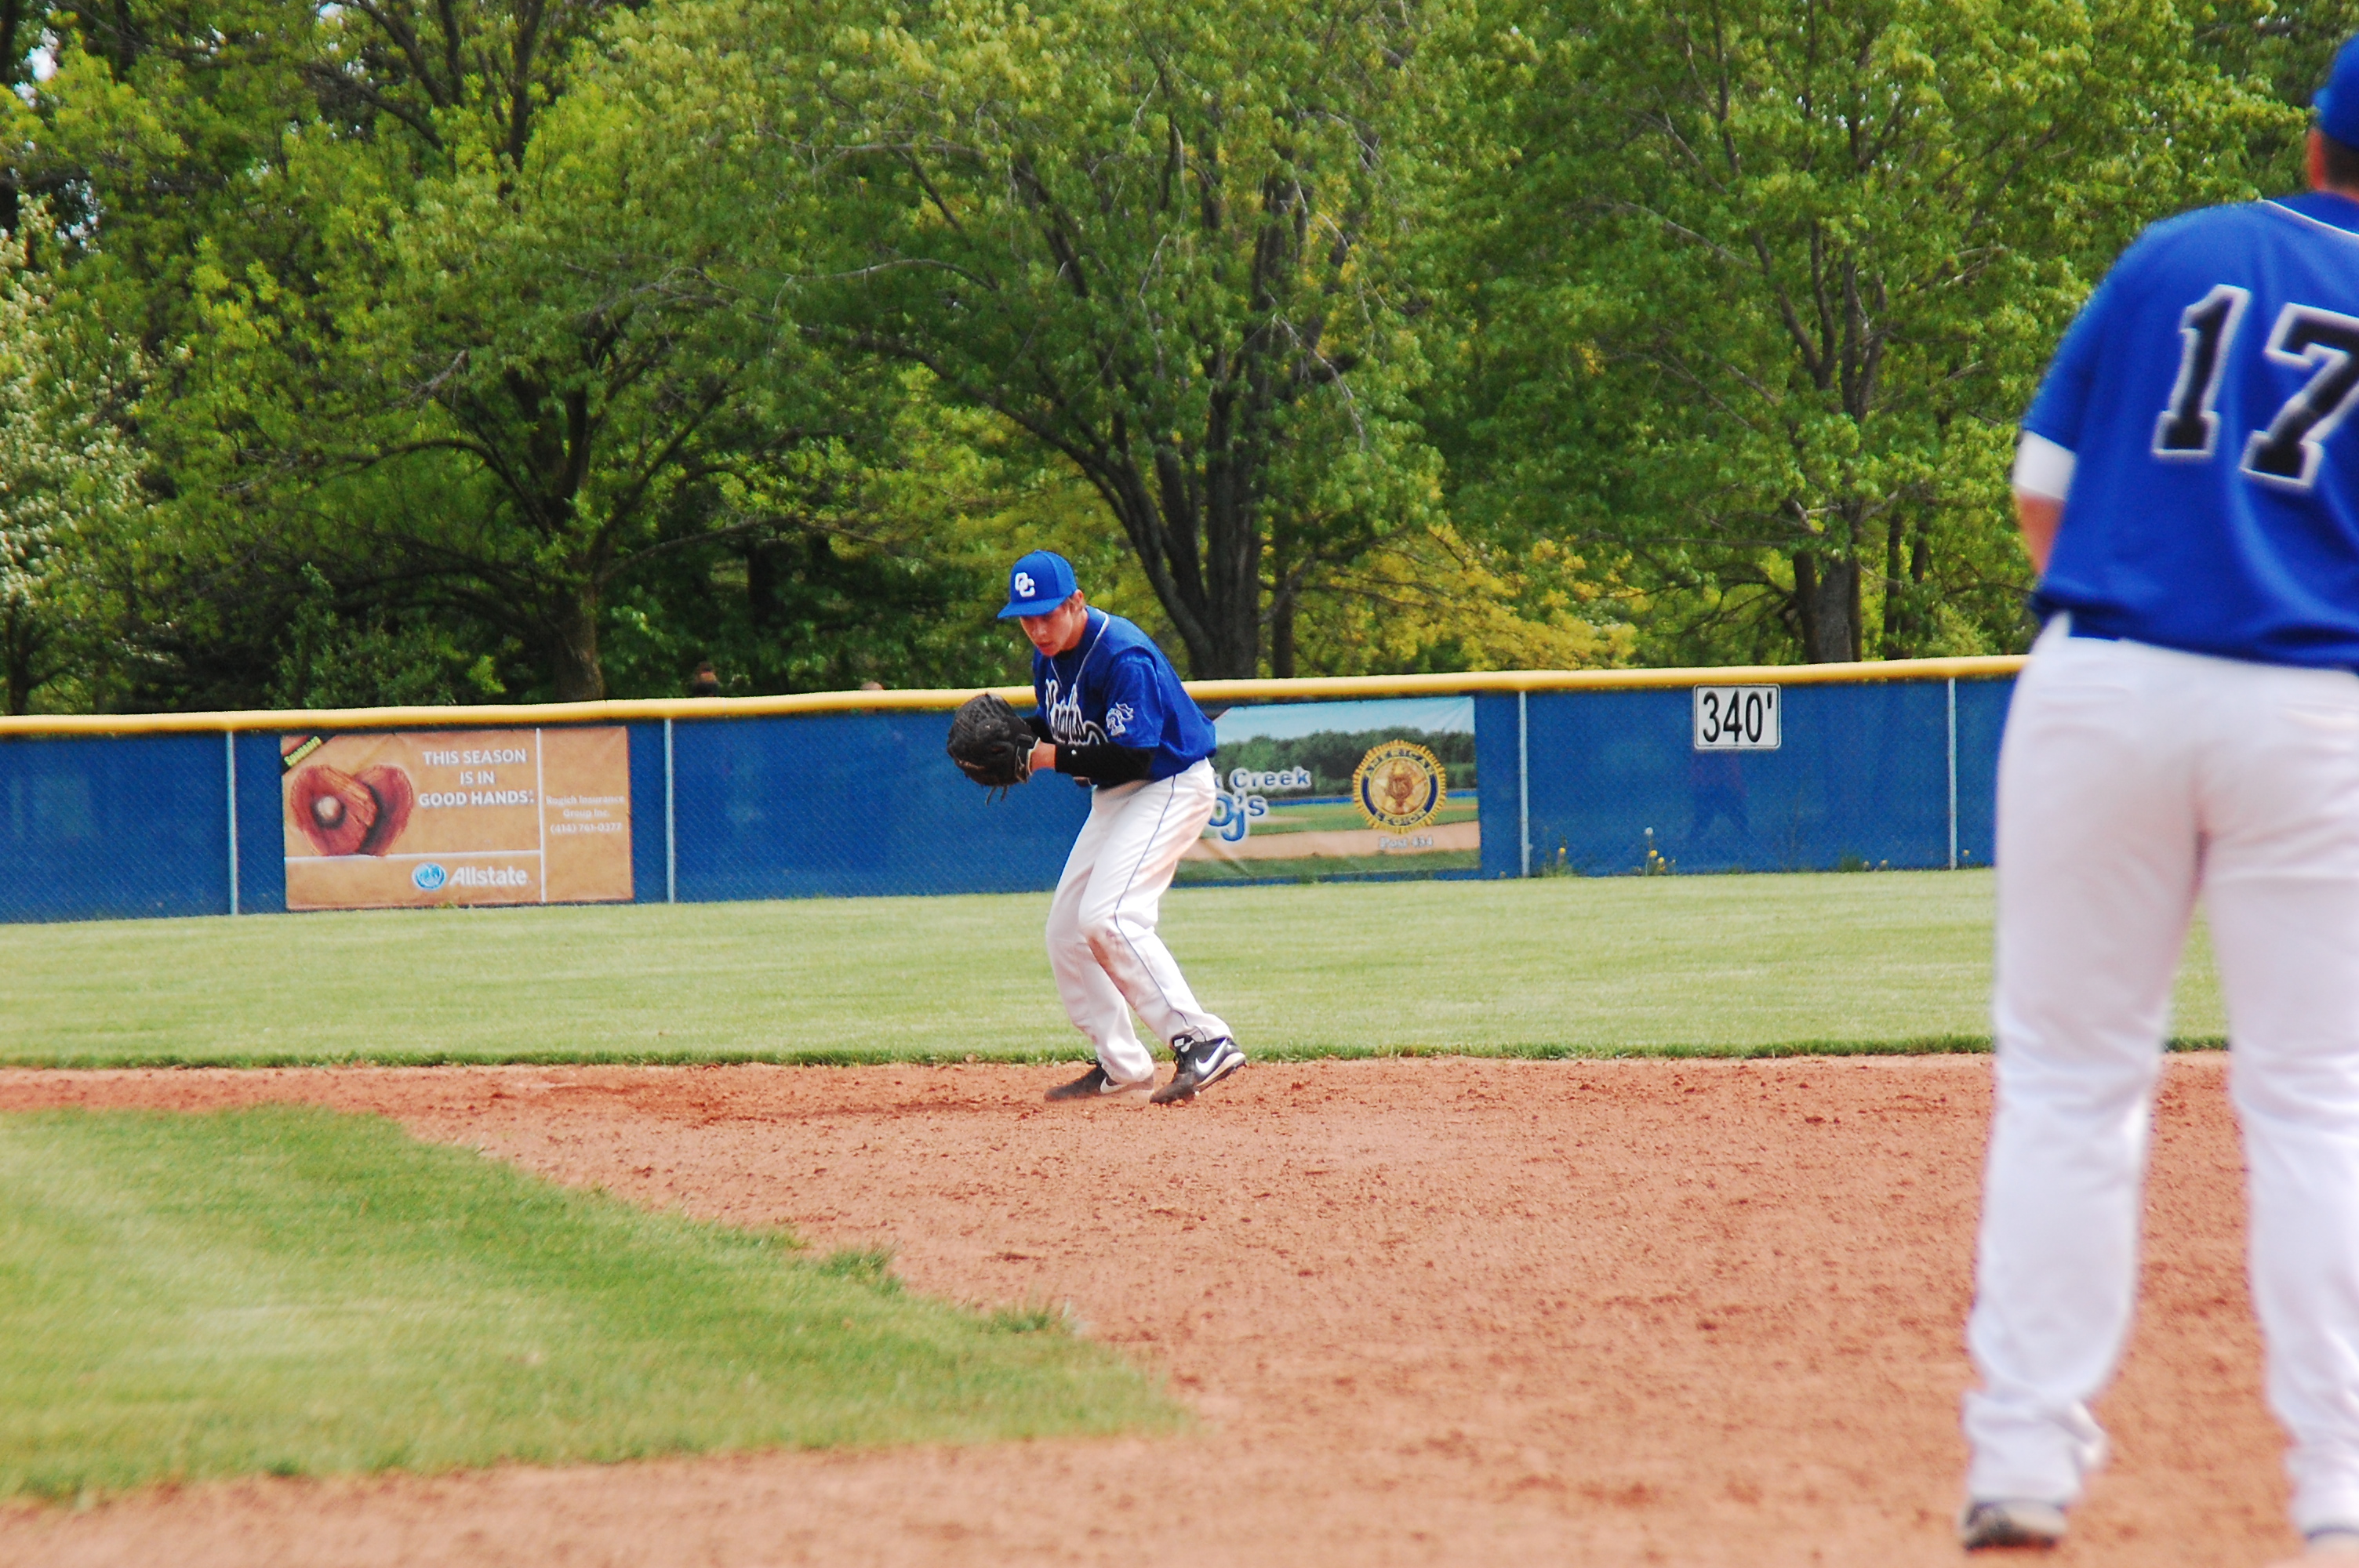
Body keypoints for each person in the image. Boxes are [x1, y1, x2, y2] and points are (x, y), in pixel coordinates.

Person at [1959, 39, 2359, 1560]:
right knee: (2317, 1099)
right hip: (2321, 708)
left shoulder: (2176, 252)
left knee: (2068, 1086)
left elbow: (2039, 492)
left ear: (2314, 140)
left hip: (2103, 681)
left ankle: (2020, 1464)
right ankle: (2337, 1491)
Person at [994, 548, 1246, 1105]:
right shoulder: (1049, 657)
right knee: (1067, 931)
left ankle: (1204, 1039)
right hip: (1118, 795)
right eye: (1026, 619)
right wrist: (1016, 733)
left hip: (1169, 784)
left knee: (1108, 917)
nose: (1037, 629)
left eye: (1047, 614)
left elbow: (1134, 754)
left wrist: (1045, 757)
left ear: (1076, 602)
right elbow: (1065, 726)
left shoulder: (1122, 654)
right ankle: (1123, 1066)